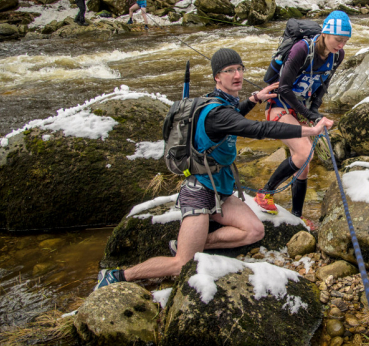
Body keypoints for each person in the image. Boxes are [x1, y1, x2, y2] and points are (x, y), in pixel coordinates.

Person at [95, 48, 334, 289]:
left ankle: (197, 244)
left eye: (240, 68)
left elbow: (231, 118)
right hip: (200, 192)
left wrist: (253, 100)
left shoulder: (220, 102)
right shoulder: (217, 112)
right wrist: (310, 131)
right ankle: (119, 275)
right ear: (217, 77)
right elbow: (258, 130)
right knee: (182, 264)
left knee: (254, 231)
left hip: (221, 190)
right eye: (229, 70)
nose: (237, 74)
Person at [254, 11, 351, 230]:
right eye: (338, 39)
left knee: (303, 164)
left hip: (302, 109)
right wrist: (311, 116)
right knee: (305, 153)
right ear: (325, 33)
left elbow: (323, 85)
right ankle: (264, 193)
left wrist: (315, 111)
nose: (341, 44)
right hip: (279, 106)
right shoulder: (301, 50)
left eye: (345, 41)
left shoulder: (338, 55)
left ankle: (297, 217)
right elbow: (285, 88)